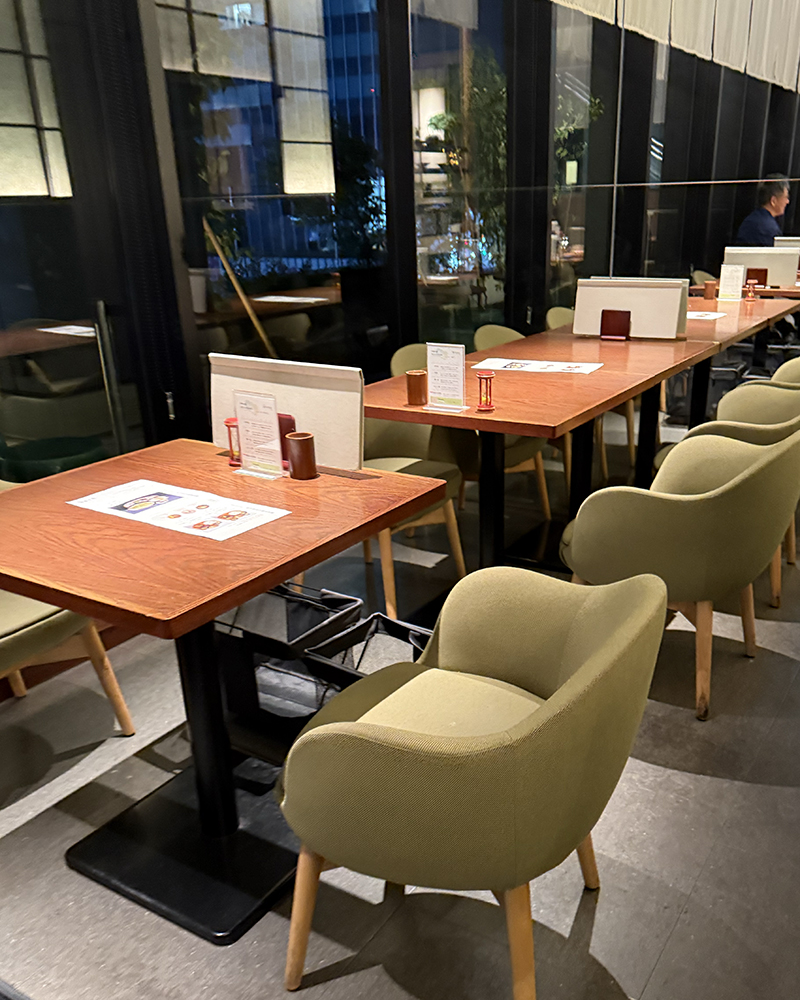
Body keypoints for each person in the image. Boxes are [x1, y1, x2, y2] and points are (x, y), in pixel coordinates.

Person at [736, 174, 791, 246]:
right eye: (785, 197)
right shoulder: (770, 230)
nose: (787, 201)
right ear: (773, 201)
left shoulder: (751, 219)